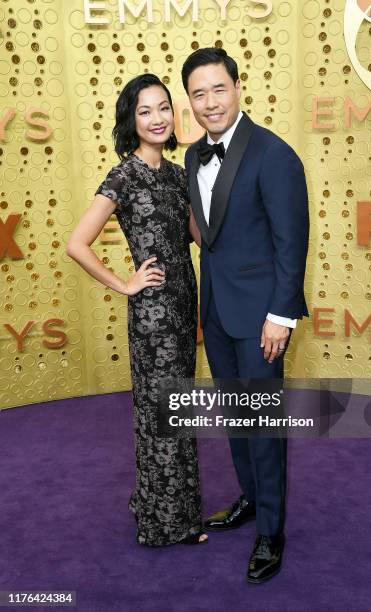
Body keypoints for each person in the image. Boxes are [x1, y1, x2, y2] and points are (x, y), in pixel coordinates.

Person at [182, 48, 309, 581]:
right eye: (198, 94)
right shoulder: (192, 156)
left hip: (262, 318)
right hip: (216, 311)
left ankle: (271, 531)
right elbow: (208, 233)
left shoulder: (274, 154)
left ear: (237, 87)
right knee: (237, 419)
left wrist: (281, 314)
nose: (210, 103)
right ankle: (252, 500)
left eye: (218, 89)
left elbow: (291, 242)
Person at [66, 74, 207, 546]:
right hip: (153, 314)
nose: (157, 118)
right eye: (144, 111)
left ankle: (159, 501)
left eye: (163, 107)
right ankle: (167, 523)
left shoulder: (177, 174)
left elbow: (200, 237)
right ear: (131, 120)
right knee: (160, 411)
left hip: (185, 302)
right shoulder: (124, 175)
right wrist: (124, 284)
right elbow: (77, 244)